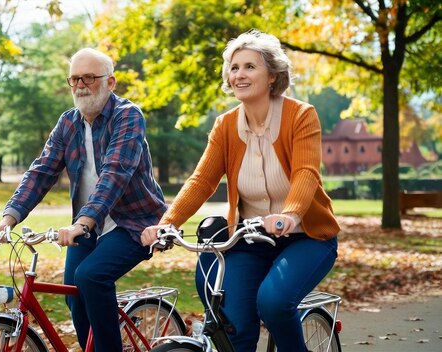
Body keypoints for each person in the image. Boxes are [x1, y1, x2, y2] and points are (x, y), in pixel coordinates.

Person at [141, 29, 339, 352]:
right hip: (249, 239)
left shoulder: (301, 116)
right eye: (234, 68)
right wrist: (168, 222)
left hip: (307, 236)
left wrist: (290, 214)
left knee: (274, 302)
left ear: (273, 75)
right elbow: (202, 180)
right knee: (234, 327)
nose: (239, 74)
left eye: (250, 66)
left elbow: (306, 173)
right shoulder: (225, 126)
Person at [0, 48, 167, 351]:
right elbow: (41, 172)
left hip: (133, 222)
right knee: (74, 294)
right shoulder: (68, 123)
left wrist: (83, 222)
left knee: (91, 276)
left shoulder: (127, 116)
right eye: (75, 79)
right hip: (88, 226)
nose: (81, 85)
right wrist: (9, 218)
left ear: (111, 82)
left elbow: (115, 174)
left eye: (90, 78)